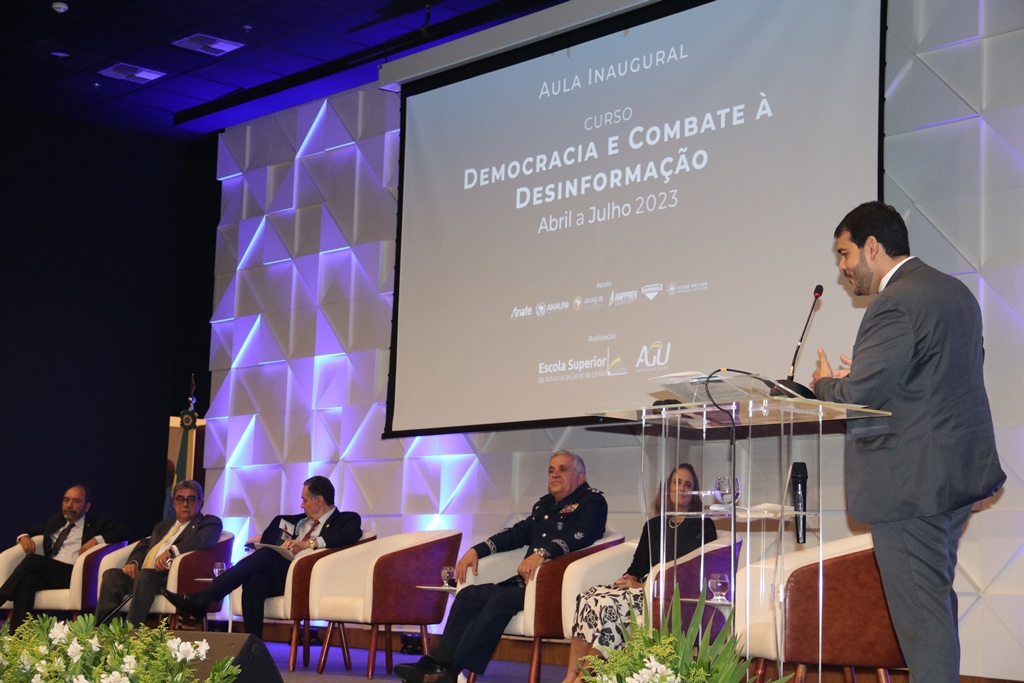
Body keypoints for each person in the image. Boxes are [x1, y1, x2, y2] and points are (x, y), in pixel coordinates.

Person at [810, 201, 1005, 683]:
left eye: (845, 253)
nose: (842, 267)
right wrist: (868, 379)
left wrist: (824, 384)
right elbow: (936, 380)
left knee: (922, 621)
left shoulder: (893, 302)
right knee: (933, 606)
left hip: (910, 487)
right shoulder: (954, 291)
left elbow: (859, 396)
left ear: (872, 247)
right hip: (951, 482)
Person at [395, 450, 608, 683]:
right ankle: (440, 664)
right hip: (527, 583)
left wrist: (543, 553)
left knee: (499, 599)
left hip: (555, 586)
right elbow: (516, 534)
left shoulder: (592, 502)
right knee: (468, 595)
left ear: (580, 477)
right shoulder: (544, 506)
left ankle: (452, 670)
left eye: (563, 469)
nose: (555, 474)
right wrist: (477, 550)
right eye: (551, 470)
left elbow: (584, 535)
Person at [562, 464, 715, 683]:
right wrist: (630, 578)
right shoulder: (654, 525)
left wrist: (644, 586)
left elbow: (694, 571)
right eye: (676, 482)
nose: (681, 488)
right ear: (667, 488)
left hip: (666, 595)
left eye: (687, 484)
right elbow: (638, 565)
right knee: (588, 596)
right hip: (640, 589)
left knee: (607, 605)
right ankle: (571, 674)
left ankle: (585, 677)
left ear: (694, 493)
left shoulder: (703, 525)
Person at [162, 475, 361, 638]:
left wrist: (307, 544)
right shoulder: (297, 521)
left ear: (319, 500)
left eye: (305, 500)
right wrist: (263, 539)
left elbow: (348, 535)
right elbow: (274, 536)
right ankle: (253, 645)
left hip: (308, 578)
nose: (301, 505)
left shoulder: (347, 519)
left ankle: (206, 596)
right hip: (283, 575)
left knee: (266, 555)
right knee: (254, 580)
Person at [0, 484, 128, 633]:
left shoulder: (98, 523)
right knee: (28, 580)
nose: (69, 505)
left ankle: (2, 596)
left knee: (32, 560)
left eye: (76, 501)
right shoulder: (56, 521)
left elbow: (123, 532)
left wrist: (96, 539)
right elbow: (28, 530)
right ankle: (18, 635)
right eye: (66, 500)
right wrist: (24, 537)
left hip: (74, 574)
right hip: (51, 573)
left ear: (87, 506)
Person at [95, 480, 222, 625]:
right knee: (111, 575)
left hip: (171, 576)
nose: (185, 504)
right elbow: (145, 544)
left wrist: (172, 551)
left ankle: (131, 631)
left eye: (191, 499)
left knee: (144, 577)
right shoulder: (163, 525)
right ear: (174, 503)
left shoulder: (209, 523)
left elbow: (203, 541)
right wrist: (133, 562)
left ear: (200, 503)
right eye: (180, 499)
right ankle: (104, 630)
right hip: (144, 574)